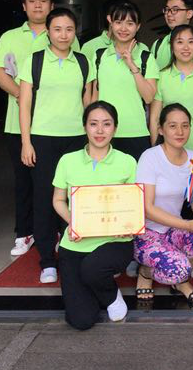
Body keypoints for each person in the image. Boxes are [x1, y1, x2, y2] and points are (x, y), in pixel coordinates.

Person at [0, 0, 79, 257]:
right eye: (32, 1)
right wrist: (23, 93)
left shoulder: (64, 35)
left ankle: (57, 231)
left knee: (59, 182)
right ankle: (24, 232)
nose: (38, 5)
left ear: (51, 5)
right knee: (25, 182)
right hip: (20, 124)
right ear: (24, 6)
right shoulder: (9, 36)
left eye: (43, 1)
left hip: (59, 125)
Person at [18, 8, 93, 283]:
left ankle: (72, 253)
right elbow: (24, 104)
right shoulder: (34, 61)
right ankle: (47, 261)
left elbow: (89, 103)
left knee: (75, 197)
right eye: (58, 29)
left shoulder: (83, 62)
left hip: (76, 139)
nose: (64, 35)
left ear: (75, 33)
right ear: (48, 32)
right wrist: (26, 142)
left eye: (69, 29)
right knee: (44, 200)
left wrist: (92, 140)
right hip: (43, 139)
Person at [52, 101, 138, 330]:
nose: (100, 130)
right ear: (85, 127)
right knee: (81, 320)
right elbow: (58, 200)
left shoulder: (128, 162)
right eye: (93, 124)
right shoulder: (67, 161)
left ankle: (110, 294)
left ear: (115, 128)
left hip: (115, 241)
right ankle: (95, 285)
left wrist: (127, 224)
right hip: (76, 242)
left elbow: (133, 203)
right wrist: (73, 222)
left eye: (106, 124)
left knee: (92, 269)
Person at [134, 104, 193, 305]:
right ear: (161, 129)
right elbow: (147, 208)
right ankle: (146, 272)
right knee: (179, 269)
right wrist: (186, 225)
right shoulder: (150, 157)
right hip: (147, 233)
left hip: (173, 230)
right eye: (173, 126)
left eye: (185, 126)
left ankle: (178, 277)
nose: (180, 132)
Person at [90, 0, 158, 160]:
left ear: (138, 26)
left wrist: (132, 65)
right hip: (104, 134)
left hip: (136, 133)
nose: (123, 28)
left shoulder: (145, 57)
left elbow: (149, 97)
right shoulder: (99, 56)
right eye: (118, 22)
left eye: (130, 23)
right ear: (111, 24)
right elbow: (95, 98)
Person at [150, 24, 193, 163]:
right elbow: (154, 118)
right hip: (169, 151)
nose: (186, 47)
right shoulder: (162, 77)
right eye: (180, 42)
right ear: (172, 46)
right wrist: (156, 151)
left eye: (191, 42)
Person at [151, 0, 193, 70]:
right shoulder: (157, 45)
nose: (169, 14)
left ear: (189, 14)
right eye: (167, 9)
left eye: (175, 9)